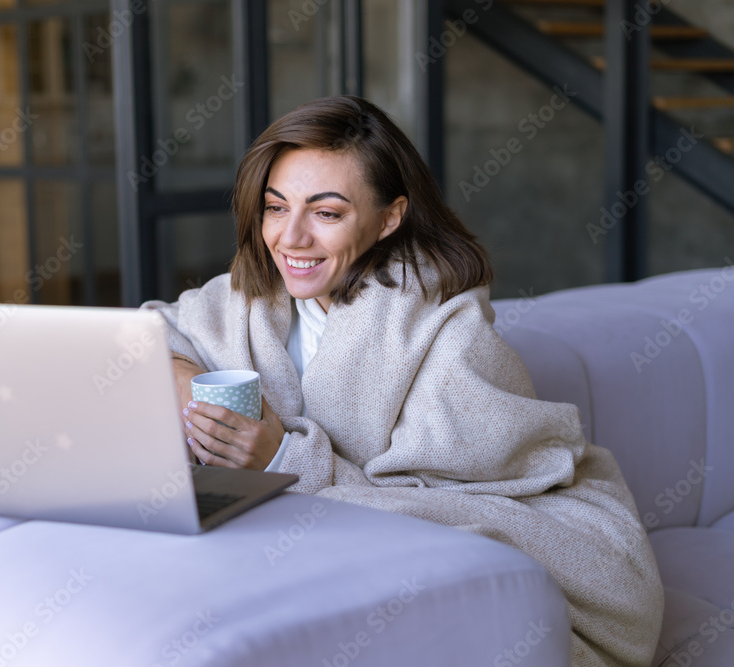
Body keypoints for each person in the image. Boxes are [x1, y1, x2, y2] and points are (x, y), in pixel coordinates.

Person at [141, 95, 663, 666]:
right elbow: (150, 336)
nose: (290, 238)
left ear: (389, 218)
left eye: (327, 213)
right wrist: (193, 385)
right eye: (275, 207)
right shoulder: (249, 298)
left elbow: (449, 507)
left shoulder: (449, 329)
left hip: (519, 523)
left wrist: (282, 458)